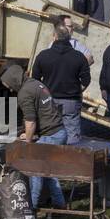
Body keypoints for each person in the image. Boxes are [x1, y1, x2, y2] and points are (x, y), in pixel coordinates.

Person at [0, 64, 68, 210]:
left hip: (51, 134)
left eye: (9, 85)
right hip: (59, 130)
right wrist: (30, 133)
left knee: (35, 171)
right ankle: (59, 204)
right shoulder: (36, 83)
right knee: (48, 171)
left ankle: (31, 207)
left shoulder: (24, 93)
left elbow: (30, 121)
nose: (10, 89)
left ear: (13, 80)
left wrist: (28, 142)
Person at [32, 15, 90, 145]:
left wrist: (44, 93)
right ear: (69, 37)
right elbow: (86, 80)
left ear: (55, 37)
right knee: (72, 136)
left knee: (50, 132)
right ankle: (70, 161)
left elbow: (35, 79)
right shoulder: (79, 57)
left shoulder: (43, 56)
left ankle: (49, 161)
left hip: (49, 100)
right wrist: (78, 90)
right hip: (71, 101)